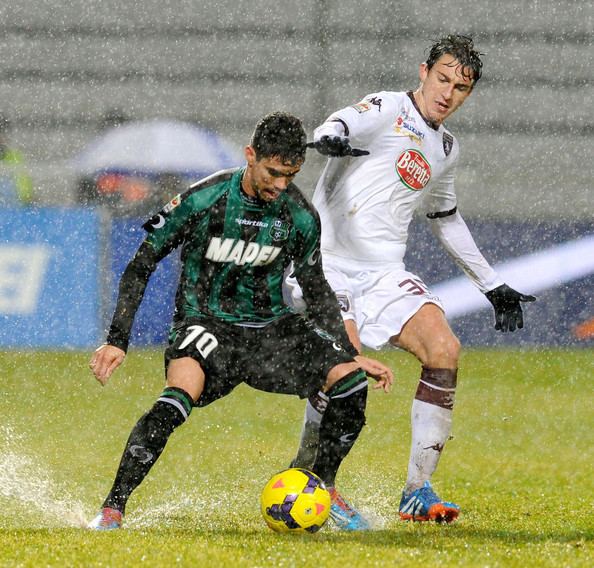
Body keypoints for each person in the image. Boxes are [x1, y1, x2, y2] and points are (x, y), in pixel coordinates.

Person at [87, 112, 393, 531]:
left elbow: (316, 288)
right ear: (250, 156)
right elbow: (141, 265)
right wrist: (117, 339)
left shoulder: (299, 216)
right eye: (273, 172)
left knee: (350, 383)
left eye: (291, 175)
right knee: (177, 396)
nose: (281, 185)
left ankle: (322, 485)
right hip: (206, 323)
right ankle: (112, 507)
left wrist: (351, 353)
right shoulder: (203, 199)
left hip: (272, 329)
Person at [289, 35, 536, 525]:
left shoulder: (445, 147)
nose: (448, 93)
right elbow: (344, 119)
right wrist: (330, 135)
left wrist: (491, 284)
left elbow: (444, 216)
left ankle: (417, 490)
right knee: (347, 367)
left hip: (383, 274)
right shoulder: (388, 107)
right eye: (442, 79)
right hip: (326, 264)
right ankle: (318, 481)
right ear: (423, 71)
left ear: (469, 94)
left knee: (444, 350)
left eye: (460, 87)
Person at [0, 114, 34, 206]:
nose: (2, 137)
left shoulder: (16, 157)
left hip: (13, 212)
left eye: (4, 133)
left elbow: (26, 195)